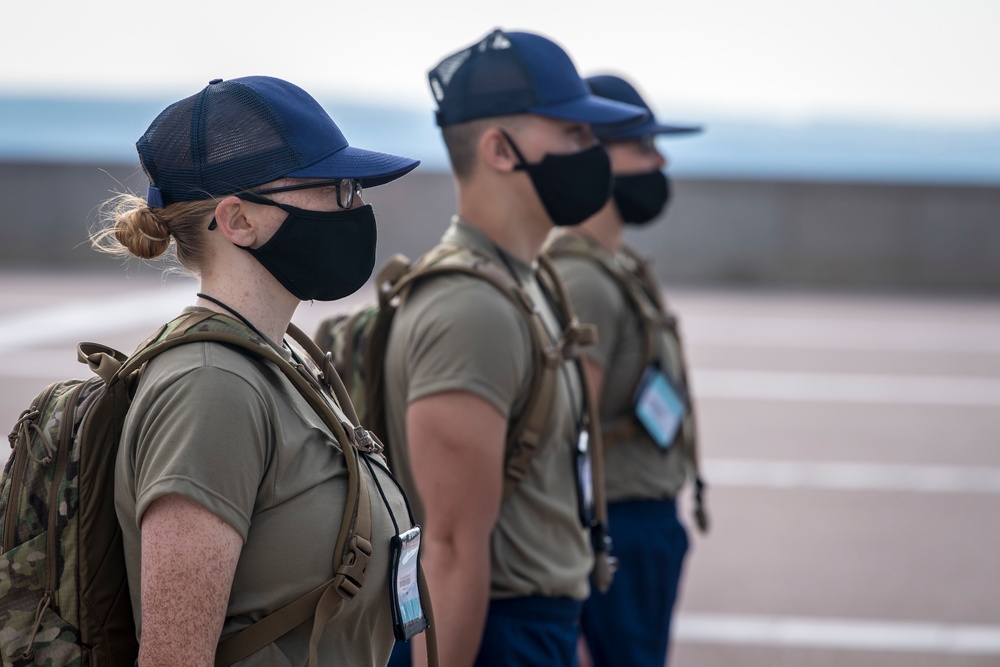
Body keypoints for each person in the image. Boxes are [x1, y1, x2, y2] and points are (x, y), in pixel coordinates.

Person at [94, 76, 421, 666]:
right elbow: (175, 658)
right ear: (239, 220)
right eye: (337, 188)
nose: (358, 207)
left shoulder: (280, 358)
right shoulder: (210, 385)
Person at [382, 29, 646, 667]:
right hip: (498, 631)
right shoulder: (471, 307)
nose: (593, 155)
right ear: (500, 149)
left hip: (538, 622)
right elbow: (447, 548)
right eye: (575, 135)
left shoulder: (528, 279)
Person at [542, 73, 710, 667]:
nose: (660, 160)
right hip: (616, 532)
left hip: (642, 523)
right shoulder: (584, 279)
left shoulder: (618, 266)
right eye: (641, 146)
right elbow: (568, 443)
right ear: (591, 156)